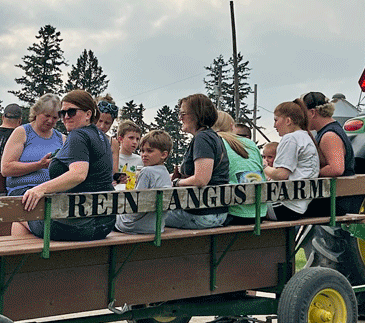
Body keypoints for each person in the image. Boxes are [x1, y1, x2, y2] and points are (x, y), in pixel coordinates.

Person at [14, 90, 116, 242]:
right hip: (104, 224)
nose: (66, 117)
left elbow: (78, 174)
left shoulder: (78, 135)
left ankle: (23, 263)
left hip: (77, 224)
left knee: (19, 213)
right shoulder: (101, 136)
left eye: (72, 112)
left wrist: (39, 189)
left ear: (88, 114)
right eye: (62, 113)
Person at [165, 93, 230, 229]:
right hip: (216, 211)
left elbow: (201, 179)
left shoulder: (202, 139)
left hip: (203, 214)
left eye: (183, 113)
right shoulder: (212, 136)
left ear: (197, 115)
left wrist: (177, 183)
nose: (180, 118)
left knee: (146, 216)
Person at [298, 91, 364, 217]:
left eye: (302, 114)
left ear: (312, 113)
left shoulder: (329, 135)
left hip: (333, 202)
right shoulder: (328, 131)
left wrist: (305, 173)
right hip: (332, 198)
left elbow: (336, 169)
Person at [264, 101, 319, 220]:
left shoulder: (291, 139)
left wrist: (264, 167)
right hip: (299, 205)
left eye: (276, 120)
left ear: (288, 121)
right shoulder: (305, 137)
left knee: (240, 210)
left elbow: (281, 174)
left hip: (284, 206)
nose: (274, 126)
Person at [1, 95, 65, 197]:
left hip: (52, 192)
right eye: (47, 116)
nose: (50, 121)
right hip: (23, 192)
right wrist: (39, 165)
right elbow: (6, 168)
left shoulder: (62, 138)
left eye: (54, 118)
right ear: (36, 112)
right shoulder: (22, 132)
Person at [212, 110, 268, 227]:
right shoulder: (250, 144)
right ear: (232, 126)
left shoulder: (215, 142)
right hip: (259, 212)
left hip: (235, 214)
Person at [115, 130, 174, 234]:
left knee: (112, 215)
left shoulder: (146, 172)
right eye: (142, 151)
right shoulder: (165, 171)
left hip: (136, 226)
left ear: (164, 155)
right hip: (157, 225)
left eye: (149, 151)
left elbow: (136, 205)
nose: (144, 155)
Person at [114, 120, 144, 189]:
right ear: (120, 139)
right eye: (131, 138)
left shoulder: (140, 160)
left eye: (137, 139)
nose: (135, 142)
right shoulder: (113, 158)